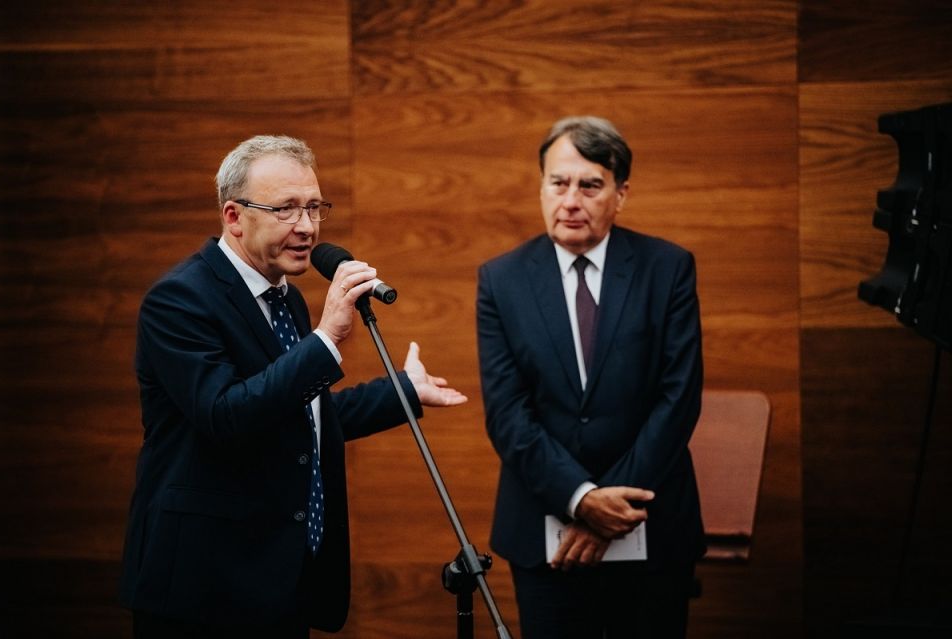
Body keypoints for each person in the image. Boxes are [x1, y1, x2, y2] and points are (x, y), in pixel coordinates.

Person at [119, 134, 467, 638]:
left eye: (314, 207)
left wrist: (402, 391)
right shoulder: (178, 301)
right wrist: (326, 338)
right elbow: (227, 415)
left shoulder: (286, 300)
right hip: (203, 588)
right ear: (234, 216)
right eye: (285, 209)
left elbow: (299, 419)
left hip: (278, 580)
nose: (307, 226)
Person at [476, 116, 704, 638]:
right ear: (541, 187)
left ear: (621, 194)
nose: (571, 200)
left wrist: (612, 508)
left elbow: (678, 398)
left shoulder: (668, 269)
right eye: (558, 183)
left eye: (590, 185)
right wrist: (581, 499)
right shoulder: (501, 280)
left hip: (651, 527)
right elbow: (508, 415)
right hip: (545, 537)